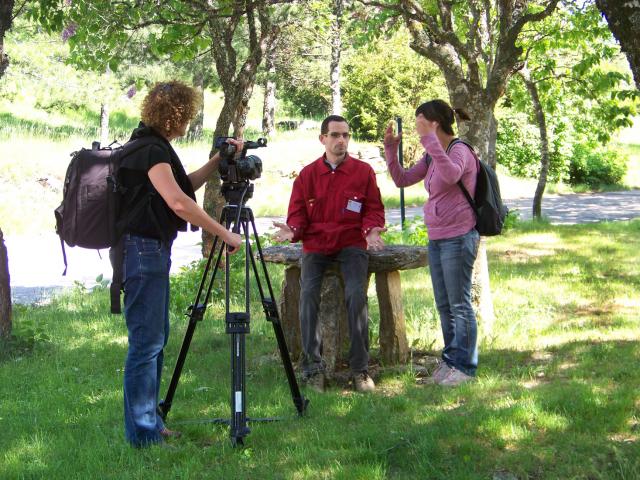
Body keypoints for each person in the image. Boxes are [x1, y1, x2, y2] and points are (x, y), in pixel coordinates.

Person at [117, 80, 243, 447]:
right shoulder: (150, 149)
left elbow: (182, 186)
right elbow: (179, 203)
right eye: (188, 114)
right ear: (178, 114)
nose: (189, 120)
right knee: (146, 342)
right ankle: (143, 434)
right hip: (144, 251)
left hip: (150, 250)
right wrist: (224, 233)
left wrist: (218, 161)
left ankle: (151, 425)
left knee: (155, 339)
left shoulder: (152, 146)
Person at [273, 115, 386, 393]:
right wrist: (293, 231)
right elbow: (297, 215)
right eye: (335, 135)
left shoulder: (363, 172)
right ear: (322, 139)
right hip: (316, 244)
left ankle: (360, 370)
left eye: (346, 135)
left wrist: (371, 230)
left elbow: (373, 208)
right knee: (308, 295)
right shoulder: (308, 175)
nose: (341, 141)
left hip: (351, 243)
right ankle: (313, 369)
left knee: (356, 295)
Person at [384, 99, 480, 387]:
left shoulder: (459, 150)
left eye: (420, 122)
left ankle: (465, 368)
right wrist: (391, 149)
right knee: (444, 305)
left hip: (459, 236)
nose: (416, 128)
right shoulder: (431, 156)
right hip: (437, 238)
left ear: (433, 122)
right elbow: (401, 180)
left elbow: (451, 175)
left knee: (459, 304)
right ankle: (450, 362)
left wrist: (429, 141)